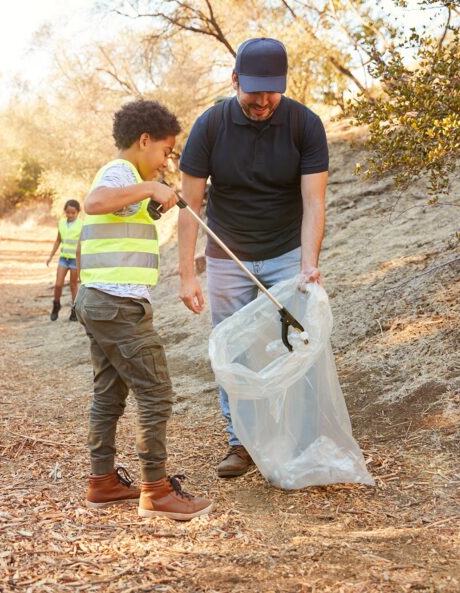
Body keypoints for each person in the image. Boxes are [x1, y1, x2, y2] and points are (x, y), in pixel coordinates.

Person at [177, 38, 329, 478]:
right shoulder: (210, 126)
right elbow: (189, 207)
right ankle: (241, 442)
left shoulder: (305, 124)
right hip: (227, 258)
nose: (263, 101)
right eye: (254, 90)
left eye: (272, 91)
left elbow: (314, 202)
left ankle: (300, 441)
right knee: (235, 350)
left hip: (286, 254)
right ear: (234, 79)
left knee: (296, 345)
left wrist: (308, 264)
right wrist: (188, 275)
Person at [75, 99, 213, 521]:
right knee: (155, 392)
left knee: (109, 394)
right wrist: (151, 188)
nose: (166, 162)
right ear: (144, 140)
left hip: (100, 300)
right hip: (117, 304)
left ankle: (102, 481)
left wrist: (151, 198)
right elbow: (93, 203)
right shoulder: (119, 174)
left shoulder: (126, 181)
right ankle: (155, 491)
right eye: (165, 152)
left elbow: (109, 221)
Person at [46, 199, 83, 321]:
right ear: (65, 212)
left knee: (73, 285)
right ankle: (56, 305)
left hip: (75, 260)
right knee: (58, 284)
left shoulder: (81, 225)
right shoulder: (61, 223)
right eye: (68, 212)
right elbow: (58, 240)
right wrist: (51, 256)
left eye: (73, 213)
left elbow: (83, 244)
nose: (70, 215)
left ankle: (74, 310)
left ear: (78, 212)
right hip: (63, 258)